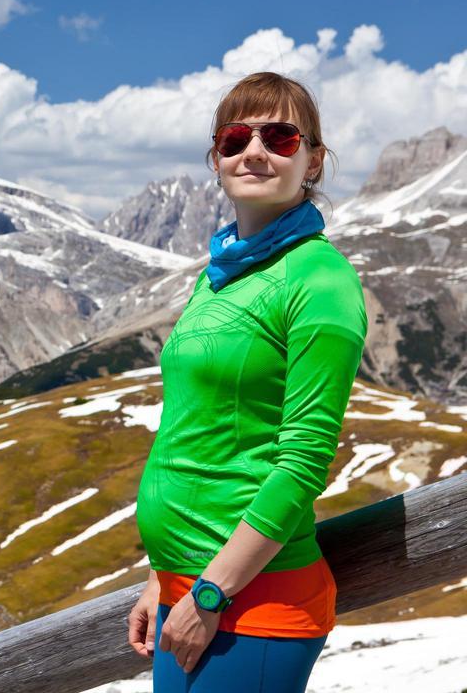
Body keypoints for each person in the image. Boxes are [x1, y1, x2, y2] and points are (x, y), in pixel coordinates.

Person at [126, 72, 368, 692]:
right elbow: (199, 428)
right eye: (235, 138)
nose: (253, 151)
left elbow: (304, 463)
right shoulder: (221, 274)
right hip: (188, 592)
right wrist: (164, 574)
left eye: (280, 137)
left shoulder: (319, 279)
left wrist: (209, 594)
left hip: (251, 606)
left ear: (312, 160)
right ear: (216, 158)